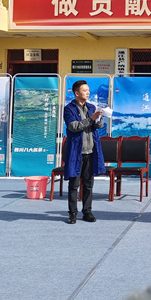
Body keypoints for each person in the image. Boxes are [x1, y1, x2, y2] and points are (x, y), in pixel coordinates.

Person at [63, 80, 105, 224]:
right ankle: (72, 213)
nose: (88, 92)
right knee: (74, 184)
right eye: (85, 90)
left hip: (91, 151)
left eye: (88, 90)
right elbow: (74, 126)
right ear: (76, 93)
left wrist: (99, 118)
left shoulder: (91, 107)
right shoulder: (69, 109)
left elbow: (98, 126)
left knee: (88, 184)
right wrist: (91, 119)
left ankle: (87, 211)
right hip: (76, 152)